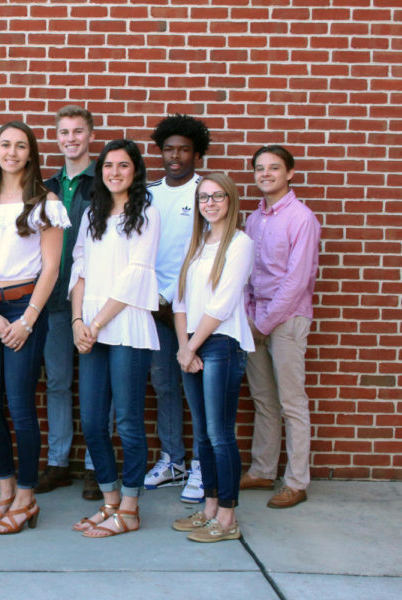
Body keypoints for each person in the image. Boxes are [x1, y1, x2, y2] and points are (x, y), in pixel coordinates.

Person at [0, 121, 70, 535]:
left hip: (26, 306)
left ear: (31, 153)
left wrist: (27, 319)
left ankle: (26, 496)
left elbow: (52, 267)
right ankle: (5, 490)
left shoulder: (45, 202)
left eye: (20, 146)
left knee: (21, 407)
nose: (11, 152)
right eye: (5, 145)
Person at [69, 139, 159, 538]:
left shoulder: (147, 213)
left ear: (135, 171)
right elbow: (80, 269)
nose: (115, 172)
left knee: (128, 421)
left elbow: (136, 274)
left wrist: (98, 322)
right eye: (108, 165)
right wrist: (77, 321)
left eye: (123, 165)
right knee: (91, 421)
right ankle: (109, 502)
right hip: (91, 330)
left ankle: (131, 507)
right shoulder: (93, 213)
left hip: (126, 329)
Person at [171, 173, 254, 543]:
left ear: (230, 200)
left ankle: (227, 518)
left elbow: (222, 303)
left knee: (220, 435)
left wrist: (192, 347)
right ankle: (208, 510)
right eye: (204, 197)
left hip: (221, 343)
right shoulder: (197, 244)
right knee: (203, 433)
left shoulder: (240, 243)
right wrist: (182, 346)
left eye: (218, 196)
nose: (210, 203)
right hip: (191, 343)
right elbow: (180, 301)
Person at [241, 145, 321, 509]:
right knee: (263, 400)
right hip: (256, 320)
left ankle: (296, 481)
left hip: (287, 320)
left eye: (274, 168)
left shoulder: (302, 218)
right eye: (260, 168)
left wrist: (265, 321)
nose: (266, 174)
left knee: (292, 402)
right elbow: (246, 273)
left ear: (290, 173)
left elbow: (297, 279)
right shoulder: (254, 219)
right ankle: (262, 470)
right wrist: (250, 317)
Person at [144, 114, 212, 504]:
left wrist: (180, 301)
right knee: (164, 385)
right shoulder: (150, 192)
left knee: (196, 387)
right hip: (156, 307)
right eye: (169, 149)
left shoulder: (207, 191)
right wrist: (157, 299)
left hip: (194, 308)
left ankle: (203, 463)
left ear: (196, 153)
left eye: (183, 149)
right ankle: (174, 459)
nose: (175, 156)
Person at [37, 105, 100, 500]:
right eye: (64, 132)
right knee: (57, 383)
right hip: (53, 301)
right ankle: (59, 462)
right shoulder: (45, 187)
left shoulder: (105, 182)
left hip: (93, 301)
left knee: (96, 386)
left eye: (78, 131)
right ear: (57, 138)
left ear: (90, 136)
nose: (71, 138)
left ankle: (96, 465)